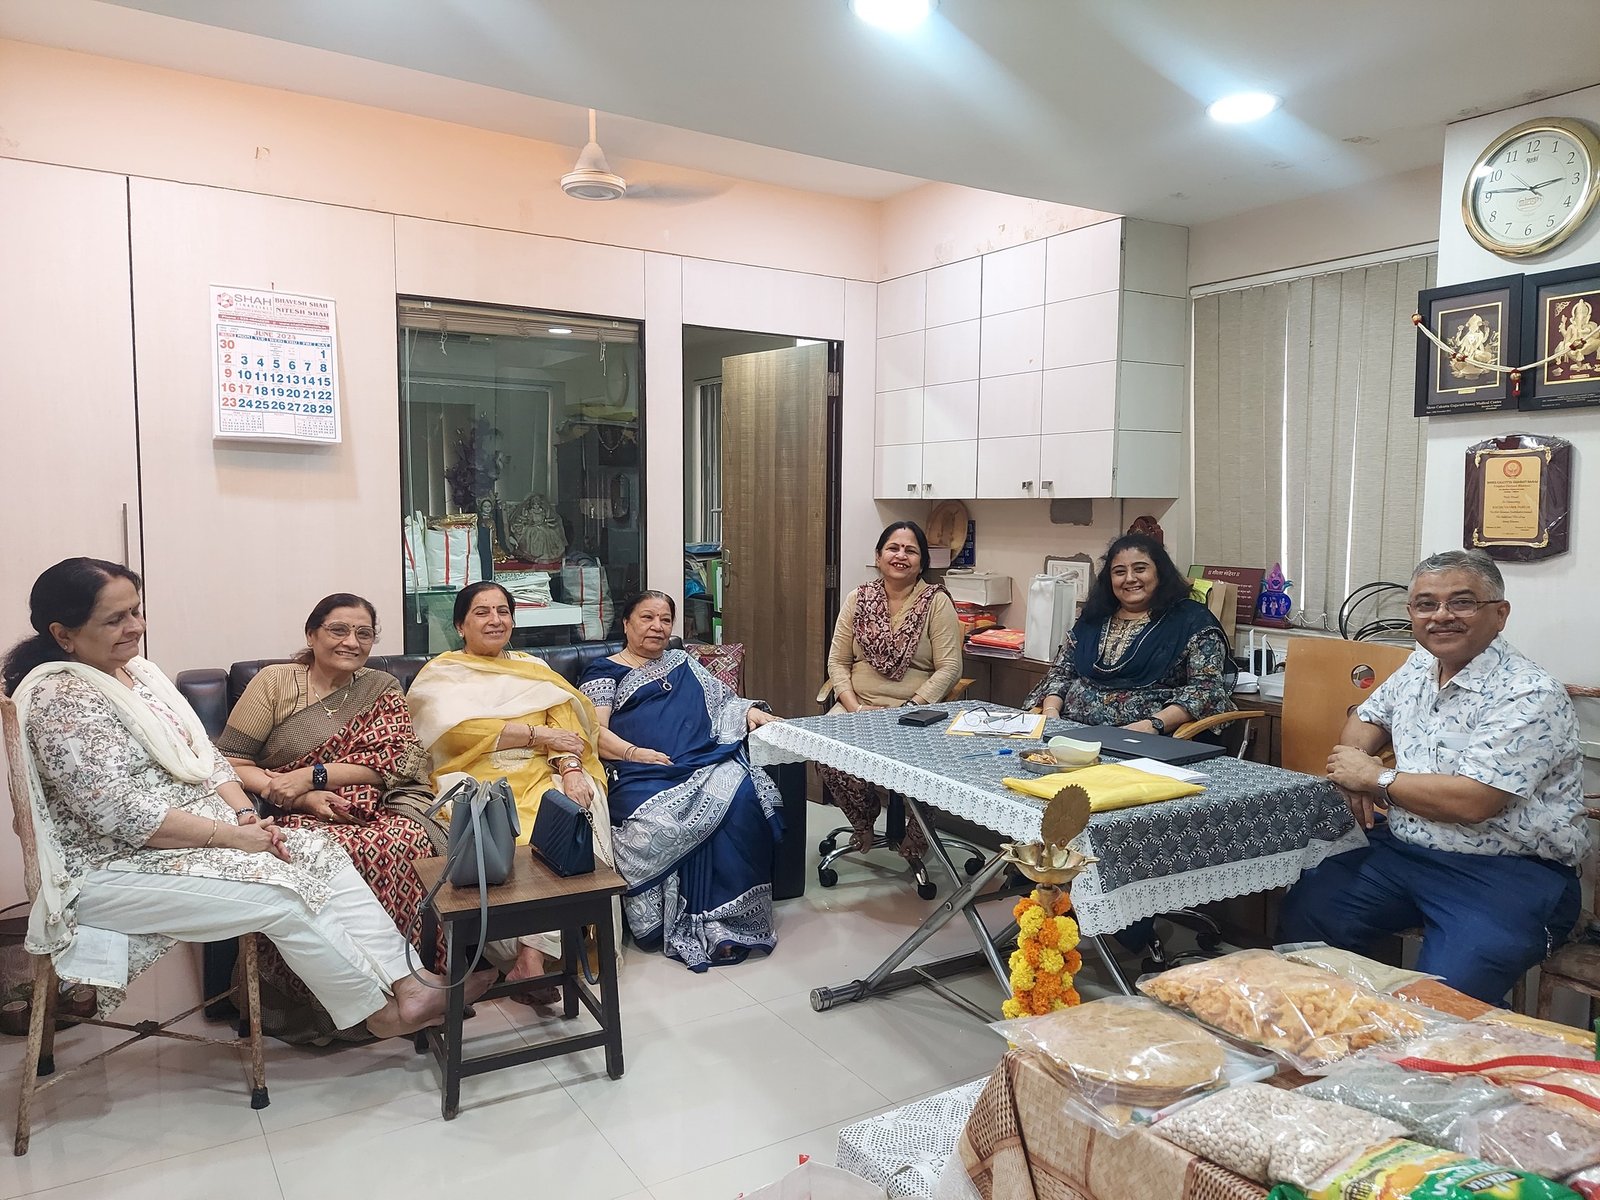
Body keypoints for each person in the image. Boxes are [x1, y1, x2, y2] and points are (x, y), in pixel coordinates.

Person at [2, 558, 489, 1039]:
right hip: (115, 865)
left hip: (197, 839)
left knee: (322, 852)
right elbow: (124, 816)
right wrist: (238, 834)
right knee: (286, 893)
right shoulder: (61, 700)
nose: (136, 627)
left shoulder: (139, 675)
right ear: (64, 634)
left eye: (136, 611)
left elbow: (208, 758)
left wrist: (242, 815)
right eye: (115, 619)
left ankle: (410, 983)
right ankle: (375, 1012)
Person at [1279, 549, 1586, 1005]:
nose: (1441, 616)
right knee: (1306, 921)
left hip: (1507, 869)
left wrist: (1375, 778)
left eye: (1462, 602)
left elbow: (1473, 802)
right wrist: (1353, 763)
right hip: (1406, 850)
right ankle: (1331, 1034)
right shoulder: (1419, 666)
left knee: (1444, 999)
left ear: (1499, 614)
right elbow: (1367, 717)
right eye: (1426, 604)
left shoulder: (1528, 692)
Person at [217, 593, 444, 1043]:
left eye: (364, 633)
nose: (351, 642)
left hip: (377, 802)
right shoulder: (274, 683)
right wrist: (301, 797)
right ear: (312, 634)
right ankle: (345, 1003)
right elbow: (230, 761)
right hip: (292, 810)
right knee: (334, 854)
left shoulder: (381, 687)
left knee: (409, 840)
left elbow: (397, 764)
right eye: (338, 630)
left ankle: (417, 981)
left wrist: (314, 775)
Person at [405, 580, 613, 999]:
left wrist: (571, 767)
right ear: (460, 625)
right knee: (507, 835)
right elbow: (458, 733)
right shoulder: (441, 674)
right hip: (474, 777)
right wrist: (537, 734)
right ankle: (525, 955)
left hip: (540, 770)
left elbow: (565, 724)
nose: (495, 620)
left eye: (503, 611)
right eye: (482, 612)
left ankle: (531, 957)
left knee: (575, 813)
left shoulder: (532, 669)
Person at [578, 590, 783, 971]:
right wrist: (634, 753)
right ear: (626, 623)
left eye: (665, 620)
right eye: (647, 618)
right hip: (640, 771)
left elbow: (725, 702)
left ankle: (729, 920)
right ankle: (676, 920)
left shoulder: (683, 662)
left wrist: (749, 712)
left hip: (702, 759)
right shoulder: (603, 671)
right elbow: (594, 732)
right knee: (659, 821)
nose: (657, 627)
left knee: (743, 797)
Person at [819, 521, 963, 863]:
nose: (901, 556)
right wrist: (854, 707)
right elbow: (837, 661)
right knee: (826, 751)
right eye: (893, 548)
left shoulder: (936, 602)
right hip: (859, 705)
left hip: (914, 711)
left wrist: (911, 707)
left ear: (922, 562)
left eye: (911, 550)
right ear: (878, 556)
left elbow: (950, 668)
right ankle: (863, 821)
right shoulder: (858, 598)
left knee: (926, 764)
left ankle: (918, 832)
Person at [1025, 532, 1233, 732]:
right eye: (1119, 572)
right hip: (1069, 732)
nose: (1130, 578)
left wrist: (1153, 725)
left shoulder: (1191, 621)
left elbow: (1206, 691)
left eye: (1140, 569)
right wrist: (1051, 714)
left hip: (1144, 739)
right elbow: (1060, 675)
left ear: (1160, 572)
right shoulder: (1095, 617)